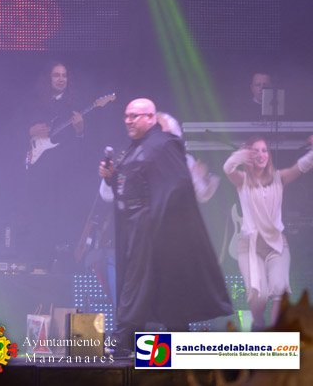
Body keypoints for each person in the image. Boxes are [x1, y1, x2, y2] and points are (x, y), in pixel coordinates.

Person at [99, 98, 232, 356]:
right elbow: (131, 186)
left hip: (152, 228)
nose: (128, 120)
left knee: (137, 283)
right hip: (137, 227)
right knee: (165, 286)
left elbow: (177, 186)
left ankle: (123, 337)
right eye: (126, 116)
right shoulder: (135, 148)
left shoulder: (163, 144)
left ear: (151, 118)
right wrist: (112, 178)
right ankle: (176, 338)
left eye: (135, 116)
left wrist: (156, 221)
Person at [223, 135, 313, 330]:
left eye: (264, 150)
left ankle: (273, 333)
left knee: (279, 291)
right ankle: (258, 323)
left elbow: (301, 166)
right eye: (256, 151)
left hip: (277, 244)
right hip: (250, 246)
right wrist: (241, 155)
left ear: (269, 155)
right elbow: (228, 168)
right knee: (258, 296)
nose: (261, 154)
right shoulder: (242, 180)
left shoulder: (279, 178)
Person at [22, 62, 88, 270]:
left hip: (63, 172)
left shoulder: (74, 105)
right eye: (56, 75)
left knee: (60, 215)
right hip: (39, 169)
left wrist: (80, 130)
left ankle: (60, 264)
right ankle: (37, 261)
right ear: (49, 79)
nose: (61, 79)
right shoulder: (34, 103)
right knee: (37, 215)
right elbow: (13, 130)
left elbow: (82, 147)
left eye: (64, 75)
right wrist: (29, 131)